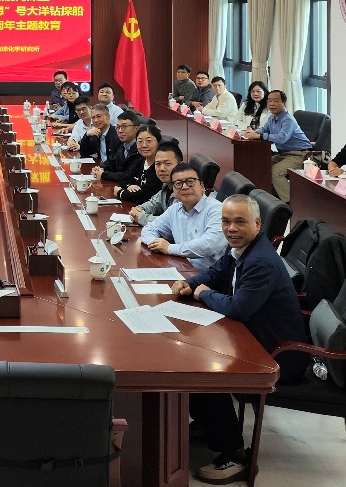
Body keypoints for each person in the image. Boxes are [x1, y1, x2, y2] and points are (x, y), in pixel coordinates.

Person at [171, 194, 310, 483]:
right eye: (226, 221)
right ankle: (211, 425)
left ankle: (235, 455)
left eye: (240, 222)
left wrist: (203, 294)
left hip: (279, 354)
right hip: (253, 336)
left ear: (257, 224)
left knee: (204, 374)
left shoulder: (260, 261)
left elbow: (238, 308)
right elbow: (218, 272)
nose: (231, 228)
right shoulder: (241, 247)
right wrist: (189, 283)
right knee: (191, 356)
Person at [142, 159, 225, 273]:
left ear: (202, 186)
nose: (185, 187)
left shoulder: (217, 210)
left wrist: (169, 248)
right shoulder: (175, 209)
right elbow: (149, 229)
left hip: (208, 276)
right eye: (178, 183)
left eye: (190, 182)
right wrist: (156, 244)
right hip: (181, 268)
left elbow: (208, 245)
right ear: (173, 189)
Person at [240, 90, 312, 202]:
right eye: (269, 101)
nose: (272, 104)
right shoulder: (272, 117)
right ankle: (270, 199)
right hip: (283, 154)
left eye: (276, 101)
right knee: (261, 166)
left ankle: (291, 203)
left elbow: (281, 138)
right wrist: (252, 133)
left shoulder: (288, 120)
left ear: (284, 103)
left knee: (276, 172)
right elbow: (264, 129)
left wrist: (260, 136)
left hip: (300, 154)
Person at [128, 144, 186, 226]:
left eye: (167, 164)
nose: (162, 168)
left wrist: (141, 217)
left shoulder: (185, 191)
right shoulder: (166, 186)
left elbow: (171, 223)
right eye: (158, 164)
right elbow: (153, 204)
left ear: (181, 165)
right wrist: (137, 211)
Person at [116, 122, 165, 205]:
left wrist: (120, 192)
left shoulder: (160, 167)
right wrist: (129, 186)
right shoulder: (140, 161)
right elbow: (123, 179)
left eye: (149, 141)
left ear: (158, 142)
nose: (144, 145)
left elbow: (143, 196)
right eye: (140, 141)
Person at [94, 110, 144, 184]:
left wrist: (104, 174)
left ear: (136, 129)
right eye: (118, 127)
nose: (120, 131)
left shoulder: (141, 149)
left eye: (124, 127)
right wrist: (100, 169)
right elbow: (111, 162)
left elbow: (129, 176)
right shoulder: (123, 146)